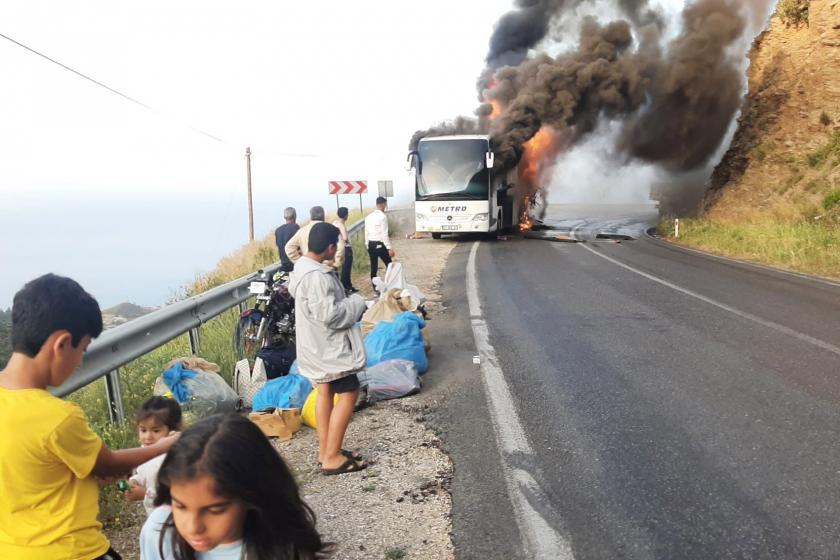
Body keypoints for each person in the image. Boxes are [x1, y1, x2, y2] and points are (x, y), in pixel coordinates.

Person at [0, 274, 179, 560]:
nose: (80, 362)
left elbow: (33, 471)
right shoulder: (57, 417)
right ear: (62, 344)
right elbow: (107, 465)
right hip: (73, 552)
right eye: (82, 350)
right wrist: (166, 445)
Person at [140, 414, 330, 560]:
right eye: (180, 506)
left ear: (252, 496)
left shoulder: (283, 543)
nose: (193, 527)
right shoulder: (159, 532)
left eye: (215, 510)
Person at [288, 223, 368, 475]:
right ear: (331, 247)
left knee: (325, 392)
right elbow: (332, 315)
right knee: (350, 392)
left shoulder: (301, 268)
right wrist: (357, 303)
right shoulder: (318, 277)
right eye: (337, 246)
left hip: (312, 346)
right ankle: (332, 456)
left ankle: (326, 452)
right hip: (329, 349)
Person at [126, 396, 183, 515]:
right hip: (155, 515)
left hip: (173, 517)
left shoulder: (173, 458)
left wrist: (144, 494)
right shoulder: (145, 451)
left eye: (156, 431)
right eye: (143, 430)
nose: (148, 437)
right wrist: (135, 481)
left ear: (172, 431)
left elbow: (174, 493)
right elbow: (144, 473)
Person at [285, 206, 344, 272]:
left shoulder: (302, 231)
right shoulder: (329, 229)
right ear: (323, 215)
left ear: (311, 216)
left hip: (309, 269)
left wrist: (300, 263)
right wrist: (336, 264)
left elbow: (289, 248)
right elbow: (341, 247)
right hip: (327, 268)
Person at [364, 196, 395, 282]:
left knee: (374, 267)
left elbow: (366, 232)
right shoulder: (382, 217)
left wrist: (367, 244)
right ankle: (391, 283)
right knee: (389, 264)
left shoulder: (368, 217)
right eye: (385, 204)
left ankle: (375, 288)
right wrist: (389, 248)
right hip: (379, 244)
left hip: (370, 244)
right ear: (382, 204)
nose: (385, 207)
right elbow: (384, 234)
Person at [332, 206, 357, 293]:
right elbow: (345, 238)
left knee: (342, 269)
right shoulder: (341, 225)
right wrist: (347, 242)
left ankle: (347, 286)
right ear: (346, 215)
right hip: (345, 248)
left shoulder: (334, 223)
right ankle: (347, 287)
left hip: (336, 249)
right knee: (347, 268)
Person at [274, 207, 300, 273]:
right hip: (295, 265)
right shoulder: (296, 227)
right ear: (295, 216)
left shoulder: (278, 230)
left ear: (284, 217)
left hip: (284, 266)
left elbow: (278, 246)